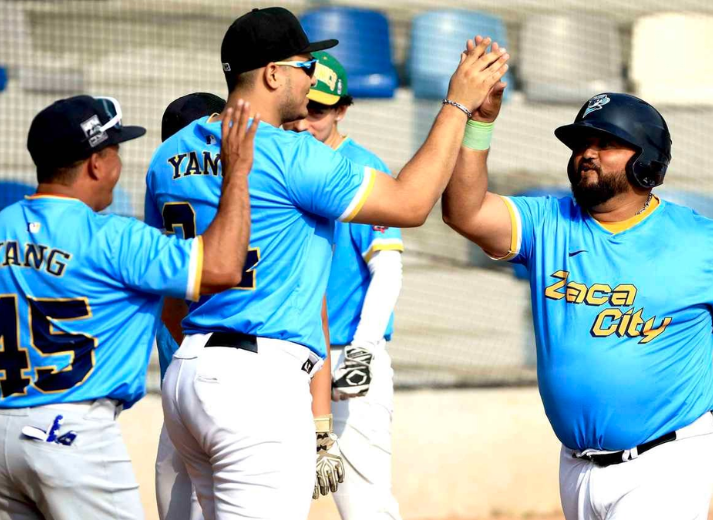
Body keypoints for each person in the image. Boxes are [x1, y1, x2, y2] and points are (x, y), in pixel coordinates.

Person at [440, 47, 713, 518]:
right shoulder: (547, 221)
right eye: (581, 143)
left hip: (667, 462)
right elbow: (464, 212)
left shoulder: (705, 243)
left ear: (647, 161)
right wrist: (478, 122)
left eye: (606, 143)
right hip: (576, 467)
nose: (586, 153)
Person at [146, 7, 509, 520]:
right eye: (305, 65)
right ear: (274, 74)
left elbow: (167, 298)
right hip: (257, 379)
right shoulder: (291, 153)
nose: (312, 77)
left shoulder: (167, 156)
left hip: (186, 371)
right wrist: (457, 105)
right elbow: (411, 204)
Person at [0, 94, 258, 520]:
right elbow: (223, 267)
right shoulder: (116, 238)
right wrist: (236, 173)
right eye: (115, 151)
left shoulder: (4, 224)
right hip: (74, 435)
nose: (118, 164)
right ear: (95, 163)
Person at [284, 51, 404, 520]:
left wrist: (362, 350)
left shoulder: (361, 170)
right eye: (302, 108)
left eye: (318, 110)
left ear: (341, 110)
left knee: (365, 507)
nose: (305, 121)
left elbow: (387, 268)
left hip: (344, 358)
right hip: (283, 356)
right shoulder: (280, 160)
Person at [153, 92, 227, 520]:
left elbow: (166, 307)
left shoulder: (161, 188)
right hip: (233, 388)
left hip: (177, 399)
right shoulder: (245, 193)